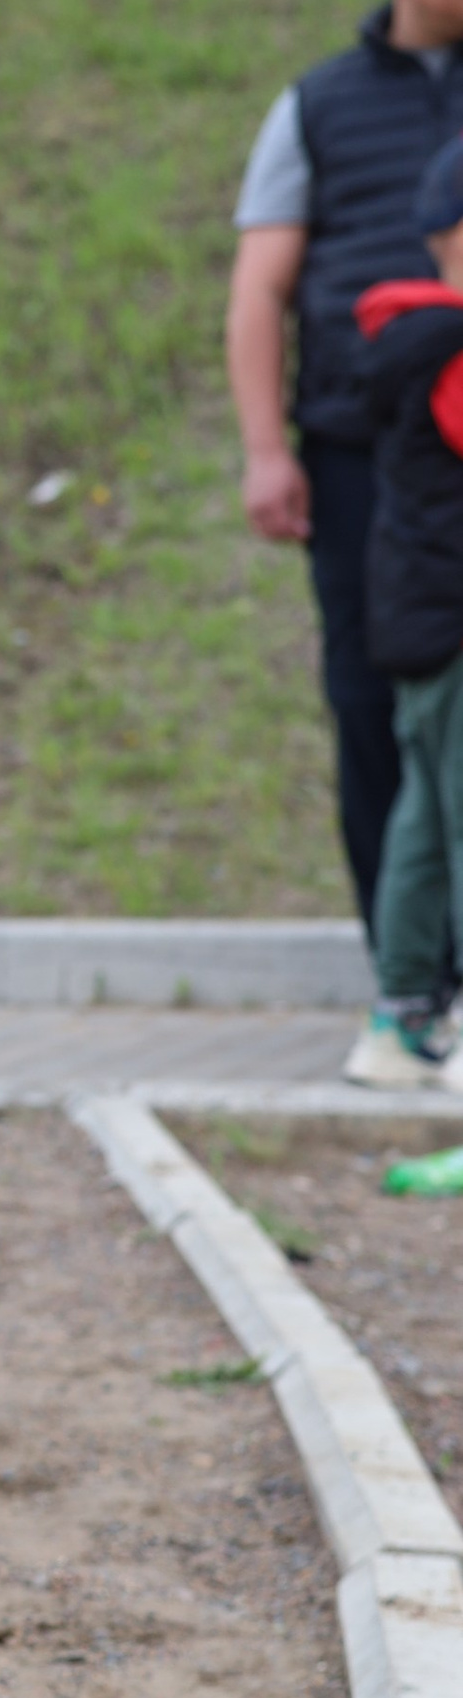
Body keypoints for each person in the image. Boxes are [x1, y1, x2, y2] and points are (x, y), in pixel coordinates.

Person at [227, 0, 463, 1078]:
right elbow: (260, 288)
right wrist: (268, 450)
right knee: (381, 719)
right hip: (369, 465)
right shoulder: (316, 104)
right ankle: (408, 991)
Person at [345, 134, 463, 1083]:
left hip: (418, 621)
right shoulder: (453, 352)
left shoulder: (409, 341)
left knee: (425, 823)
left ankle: (398, 1022)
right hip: (455, 623)